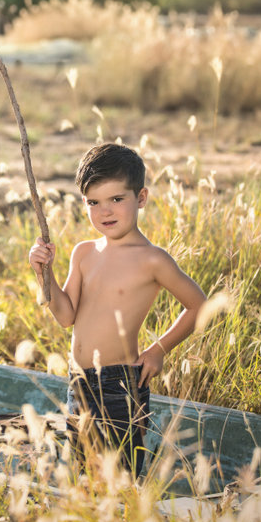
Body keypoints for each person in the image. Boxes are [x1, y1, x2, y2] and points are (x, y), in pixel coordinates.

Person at [28, 143, 206, 477]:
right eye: (94, 202)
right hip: (78, 382)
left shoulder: (152, 259)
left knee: (120, 475)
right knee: (81, 472)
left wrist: (158, 350)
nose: (105, 211)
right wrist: (43, 273)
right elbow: (66, 316)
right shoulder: (83, 253)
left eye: (116, 200)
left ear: (141, 198)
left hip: (120, 385)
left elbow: (198, 305)